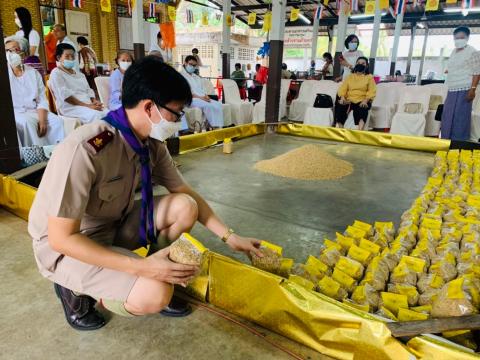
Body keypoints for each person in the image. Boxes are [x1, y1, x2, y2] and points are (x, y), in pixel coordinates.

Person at [28, 56, 263, 330]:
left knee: (185, 205)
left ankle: (155, 270)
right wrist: (142, 269)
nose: (178, 120)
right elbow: (61, 239)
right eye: (176, 113)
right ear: (150, 107)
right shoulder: (87, 148)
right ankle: (76, 290)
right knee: (155, 294)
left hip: (113, 227)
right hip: (70, 248)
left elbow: (184, 191)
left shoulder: (151, 143)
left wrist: (230, 236)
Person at [5, 38, 64, 147]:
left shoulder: (33, 73)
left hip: (35, 111)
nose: (12, 53)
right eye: (8, 51)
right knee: (27, 123)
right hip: (16, 113)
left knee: (57, 122)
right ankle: (37, 157)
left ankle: (57, 153)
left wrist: (42, 120)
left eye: (16, 49)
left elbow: (42, 99)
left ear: (22, 53)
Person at [49, 43, 107, 123]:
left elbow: (88, 90)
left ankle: (114, 134)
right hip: (71, 107)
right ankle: (99, 135)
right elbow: (65, 96)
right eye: (67, 56)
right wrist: (87, 106)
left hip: (87, 104)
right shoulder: (56, 73)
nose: (71, 59)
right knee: (97, 116)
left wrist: (94, 101)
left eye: (73, 56)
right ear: (59, 57)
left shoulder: (80, 75)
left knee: (109, 113)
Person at [441, 27, 478, 141]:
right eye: (456, 38)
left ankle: (459, 143)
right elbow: (453, 67)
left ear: (467, 38)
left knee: (460, 116)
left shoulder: (473, 51)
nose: (458, 40)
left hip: (465, 89)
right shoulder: (453, 52)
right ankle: (446, 140)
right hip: (452, 89)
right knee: (447, 115)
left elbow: (477, 72)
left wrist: (472, 89)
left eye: (461, 38)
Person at [180, 55, 224, 128]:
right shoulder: (180, 76)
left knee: (217, 104)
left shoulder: (196, 77)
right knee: (208, 106)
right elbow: (186, 93)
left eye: (194, 65)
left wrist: (206, 96)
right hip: (190, 99)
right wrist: (201, 98)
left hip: (201, 98)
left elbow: (201, 90)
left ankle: (220, 127)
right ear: (185, 63)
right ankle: (215, 127)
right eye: (190, 64)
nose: (192, 67)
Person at [335, 57, 376, 130]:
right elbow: (343, 89)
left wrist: (365, 100)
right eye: (358, 63)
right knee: (340, 106)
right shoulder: (350, 77)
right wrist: (342, 98)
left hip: (362, 100)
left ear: (366, 66)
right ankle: (340, 130)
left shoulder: (369, 77)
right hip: (349, 100)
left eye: (363, 63)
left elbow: (372, 91)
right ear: (356, 64)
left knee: (363, 108)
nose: (360, 64)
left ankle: (359, 131)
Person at [14, 7, 44, 76]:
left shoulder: (33, 33)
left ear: (24, 17)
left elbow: (31, 52)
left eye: (17, 17)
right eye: (15, 17)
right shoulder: (17, 33)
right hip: (20, 63)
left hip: (31, 62)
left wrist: (17, 52)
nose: (16, 20)